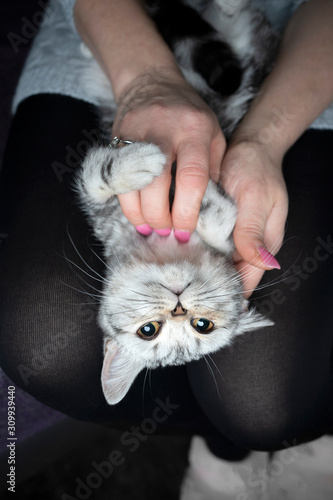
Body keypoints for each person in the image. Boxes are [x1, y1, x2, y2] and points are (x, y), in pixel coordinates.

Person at [0, 0, 333, 498]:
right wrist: (261, 144)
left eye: (150, 328)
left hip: (115, 45)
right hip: (276, 47)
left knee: (40, 343)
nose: (177, 313)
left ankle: (222, 449)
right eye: (202, 324)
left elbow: (96, 184)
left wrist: (142, 93)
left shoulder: (121, 253)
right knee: (263, 402)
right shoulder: (219, 267)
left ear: (117, 335)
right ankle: (232, 443)